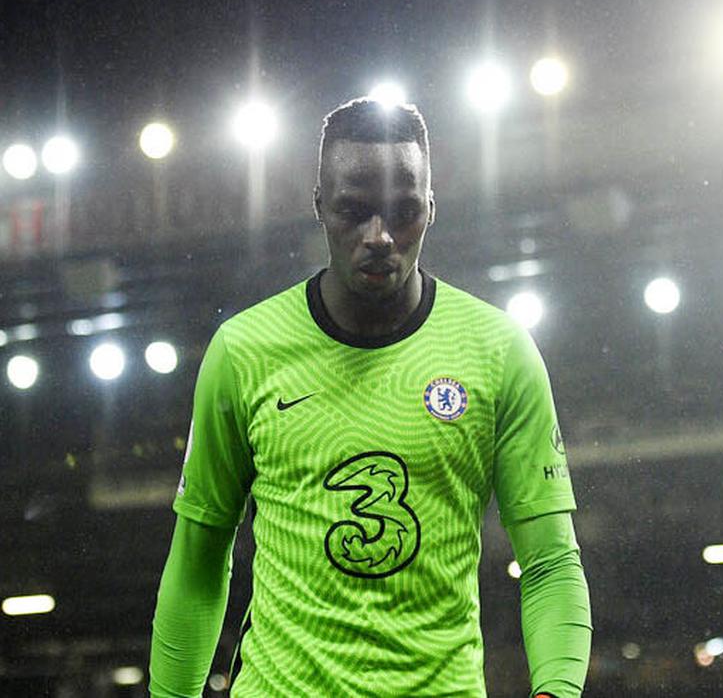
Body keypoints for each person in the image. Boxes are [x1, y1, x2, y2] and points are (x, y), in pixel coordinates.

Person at [148, 98, 592, 697]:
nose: (379, 236)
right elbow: (199, 563)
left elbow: (551, 563)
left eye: (402, 212)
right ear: (318, 207)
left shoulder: (499, 351)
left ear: (431, 209)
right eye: (353, 211)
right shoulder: (244, 352)